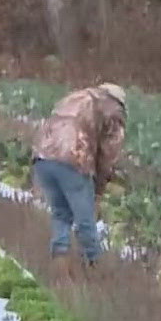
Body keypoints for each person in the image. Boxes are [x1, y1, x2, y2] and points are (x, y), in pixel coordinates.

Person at [31, 82, 126, 271]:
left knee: (61, 213)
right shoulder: (111, 109)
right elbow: (109, 152)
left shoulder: (73, 97)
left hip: (42, 157)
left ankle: (60, 260)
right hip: (73, 158)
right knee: (85, 218)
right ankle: (93, 265)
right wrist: (100, 185)